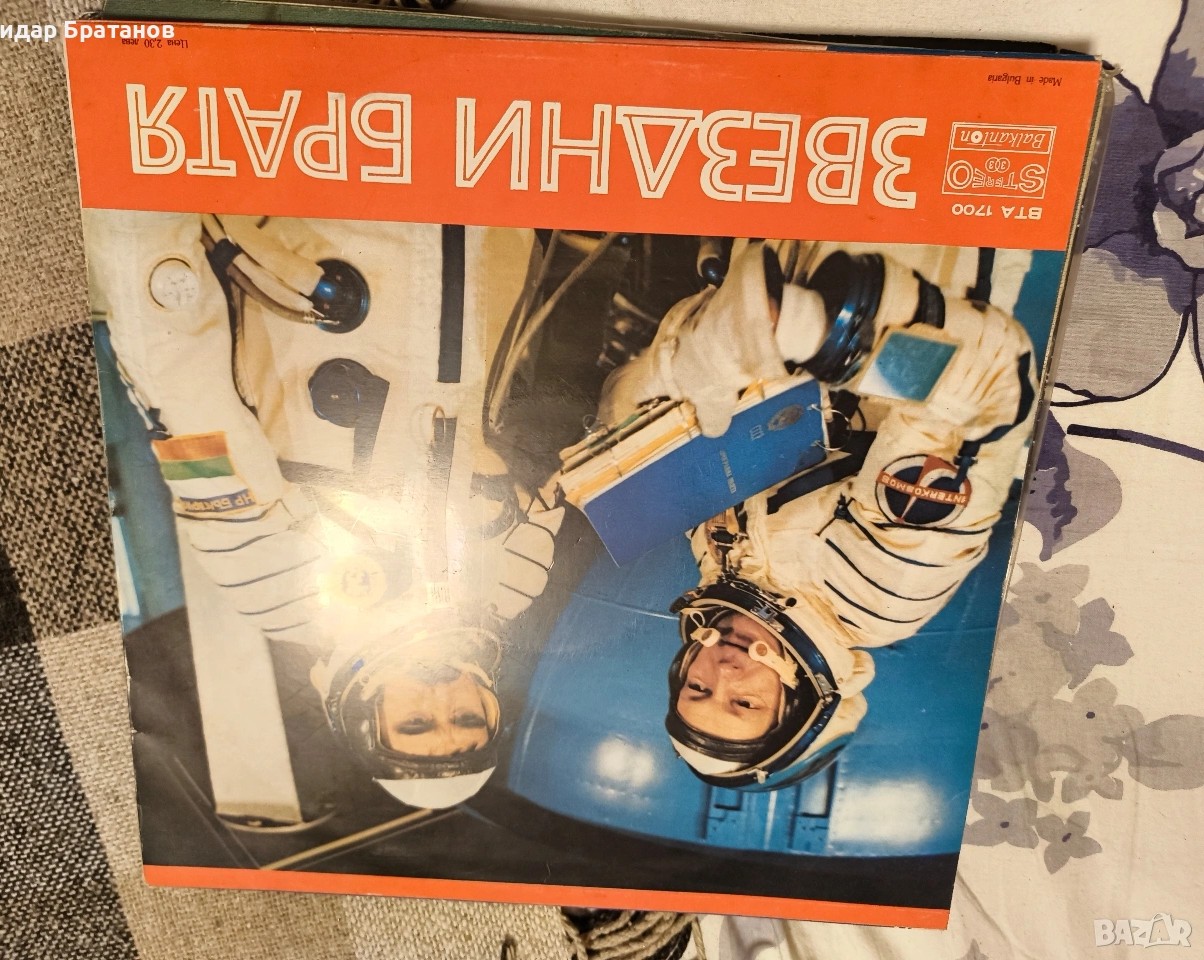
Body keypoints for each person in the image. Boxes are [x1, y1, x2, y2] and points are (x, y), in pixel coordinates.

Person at [84, 211, 564, 812]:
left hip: (322, 216)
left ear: (360, 712)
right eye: (467, 717)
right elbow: (556, 441)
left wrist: (141, 228)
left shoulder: (270, 585)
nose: (443, 697)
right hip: (487, 221)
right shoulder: (516, 583)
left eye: (416, 722)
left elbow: (183, 392)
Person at [593, 239, 1038, 790]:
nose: (723, 672)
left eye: (698, 689)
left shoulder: (717, 553)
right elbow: (991, 395)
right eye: (744, 702)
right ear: (798, 697)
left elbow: (688, 374)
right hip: (930, 245)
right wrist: (815, 330)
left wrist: (673, 366)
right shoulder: (882, 594)